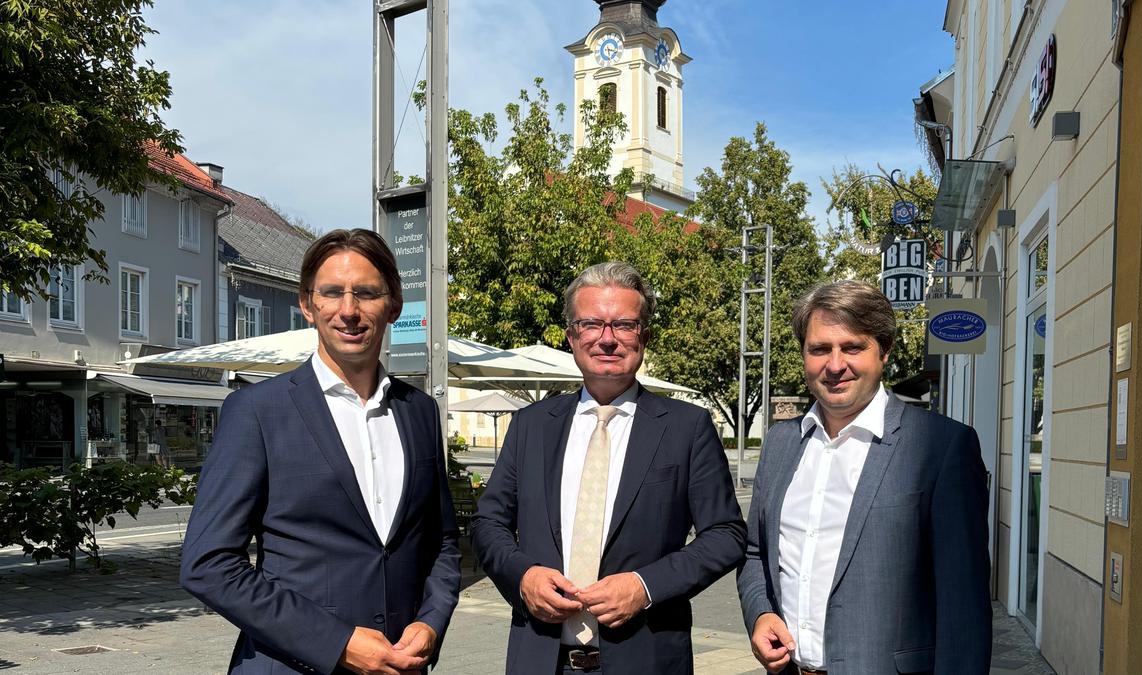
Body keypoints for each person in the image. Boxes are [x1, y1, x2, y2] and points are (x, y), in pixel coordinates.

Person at [180, 228, 460, 675]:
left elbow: (442, 541)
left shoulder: (420, 411)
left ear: (393, 307)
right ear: (308, 306)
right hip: (291, 666)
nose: (349, 311)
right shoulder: (256, 411)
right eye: (332, 293)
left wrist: (431, 621)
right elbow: (208, 564)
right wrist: (337, 642)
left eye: (366, 293)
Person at [472, 262, 747, 675]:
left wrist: (645, 586)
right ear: (571, 337)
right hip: (541, 659)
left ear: (644, 337)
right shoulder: (530, 425)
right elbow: (487, 523)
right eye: (591, 324)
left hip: (646, 658)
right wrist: (523, 576)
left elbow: (726, 535)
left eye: (624, 324)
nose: (607, 339)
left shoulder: (686, 427)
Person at [737, 280, 991, 675]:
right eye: (819, 349)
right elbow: (755, 552)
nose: (835, 365)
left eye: (852, 347)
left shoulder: (942, 448)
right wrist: (759, 613)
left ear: (884, 351)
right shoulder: (781, 443)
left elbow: (964, 608)